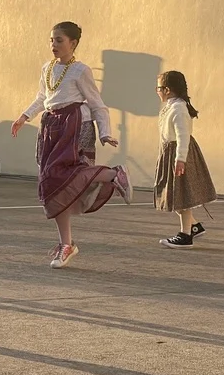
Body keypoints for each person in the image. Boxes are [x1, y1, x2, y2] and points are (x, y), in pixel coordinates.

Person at [11, 21, 133, 269]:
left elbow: (97, 104)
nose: (53, 44)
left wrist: (105, 133)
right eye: (51, 40)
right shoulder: (47, 68)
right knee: (51, 183)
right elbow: (42, 98)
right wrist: (24, 116)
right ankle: (66, 244)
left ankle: (113, 174)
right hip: (51, 126)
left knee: (66, 174)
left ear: (73, 43)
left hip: (75, 125)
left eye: (59, 40)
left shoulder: (80, 70)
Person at [154, 71, 216, 249]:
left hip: (179, 154)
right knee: (173, 194)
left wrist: (180, 159)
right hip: (170, 154)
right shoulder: (172, 106)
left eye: (158, 88)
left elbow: (183, 136)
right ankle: (194, 226)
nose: (157, 91)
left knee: (180, 195)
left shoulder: (178, 109)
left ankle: (185, 235)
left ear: (167, 90)